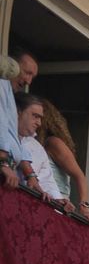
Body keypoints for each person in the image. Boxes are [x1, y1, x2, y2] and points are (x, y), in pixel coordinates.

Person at [35, 97, 89, 224]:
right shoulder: (33, 145)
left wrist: (84, 207)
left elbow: (79, 176)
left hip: (56, 206)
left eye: (37, 116)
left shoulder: (53, 143)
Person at [11, 94, 66, 205]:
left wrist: (59, 200)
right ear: (17, 112)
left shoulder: (37, 148)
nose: (39, 123)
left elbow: (47, 181)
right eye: (35, 116)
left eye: (40, 118)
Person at [0, 50, 38, 191]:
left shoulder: (8, 90)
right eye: (27, 73)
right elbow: (1, 125)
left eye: (32, 77)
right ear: (13, 66)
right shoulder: (1, 84)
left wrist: (30, 176)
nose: (28, 81)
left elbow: (14, 139)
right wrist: (3, 163)